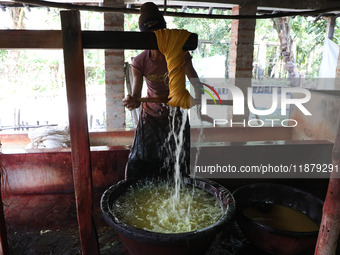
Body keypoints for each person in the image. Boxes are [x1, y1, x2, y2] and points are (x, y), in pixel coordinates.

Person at [122, 2, 201, 180]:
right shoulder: (140, 62)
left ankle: (174, 199)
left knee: (178, 163)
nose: (155, 40)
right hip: (150, 117)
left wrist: (200, 95)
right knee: (139, 162)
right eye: (149, 36)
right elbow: (136, 95)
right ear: (143, 37)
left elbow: (194, 80)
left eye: (158, 34)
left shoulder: (179, 54)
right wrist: (132, 101)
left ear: (165, 33)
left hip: (175, 116)